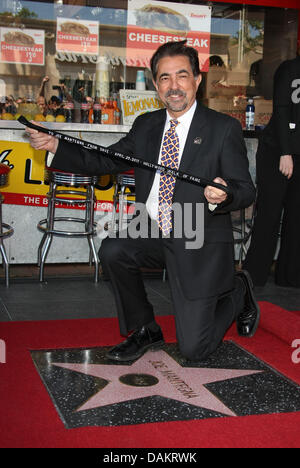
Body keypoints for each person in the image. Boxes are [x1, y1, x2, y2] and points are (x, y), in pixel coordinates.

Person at [26, 40, 259, 362]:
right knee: (115, 248)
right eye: (165, 78)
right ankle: (145, 328)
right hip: (152, 229)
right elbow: (106, 161)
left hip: (197, 238)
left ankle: (236, 291)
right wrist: (55, 146)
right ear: (155, 84)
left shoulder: (223, 129)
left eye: (182, 76)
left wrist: (225, 193)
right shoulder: (147, 125)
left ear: (197, 80)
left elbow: (246, 190)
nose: (174, 86)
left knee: (195, 350)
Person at [243, 54, 300, 287]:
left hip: (297, 152)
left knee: (297, 218)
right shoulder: (289, 68)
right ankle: (253, 277)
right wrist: (285, 153)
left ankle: (290, 277)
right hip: (277, 151)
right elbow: (282, 110)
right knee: (269, 215)